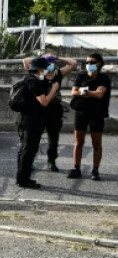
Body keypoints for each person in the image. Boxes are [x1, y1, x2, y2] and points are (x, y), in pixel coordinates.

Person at [21, 53, 77, 172]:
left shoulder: (58, 74)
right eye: (47, 65)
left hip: (54, 110)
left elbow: (73, 63)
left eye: (52, 64)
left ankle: (51, 161)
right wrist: (43, 58)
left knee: (53, 138)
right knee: (33, 139)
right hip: (39, 110)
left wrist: (57, 57)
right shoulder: (40, 74)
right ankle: (28, 162)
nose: (50, 68)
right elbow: (26, 61)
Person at [16, 57, 60, 189]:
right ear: (40, 69)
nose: (47, 71)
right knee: (29, 150)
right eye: (45, 68)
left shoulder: (29, 80)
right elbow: (44, 102)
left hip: (29, 120)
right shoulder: (33, 83)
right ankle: (23, 179)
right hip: (31, 121)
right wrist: (54, 89)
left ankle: (23, 176)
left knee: (26, 149)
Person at [67, 53, 111, 181]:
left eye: (91, 62)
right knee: (78, 142)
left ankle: (95, 170)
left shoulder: (104, 78)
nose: (88, 65)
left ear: (99, 63)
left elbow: (99, 95)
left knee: (96, 143)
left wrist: (83, 92)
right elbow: (73, 92)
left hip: (97, 114)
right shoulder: (81, 76)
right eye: (87, 62)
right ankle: (76, 168)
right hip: (81, 112)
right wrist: (90, 92)